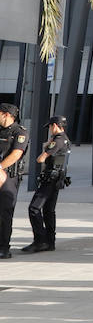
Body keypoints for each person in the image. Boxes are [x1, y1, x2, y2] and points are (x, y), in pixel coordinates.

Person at [23, 116, 70, 253]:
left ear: (55, 125)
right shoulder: (65, 139)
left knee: (34, 208)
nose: (49, 129)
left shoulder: (57, 140)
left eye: (50, 126)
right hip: (58, 178)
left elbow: (40, 159)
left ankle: (40, 241)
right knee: (49, 210)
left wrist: (47, 146)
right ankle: (50, 241)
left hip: (50, 178)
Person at [0, 103, 28, 259]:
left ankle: (3, 247)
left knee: (5, 212)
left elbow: (16, 154)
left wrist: (0, 168)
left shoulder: (20, 132)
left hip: (9, 177)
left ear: (6, 114)